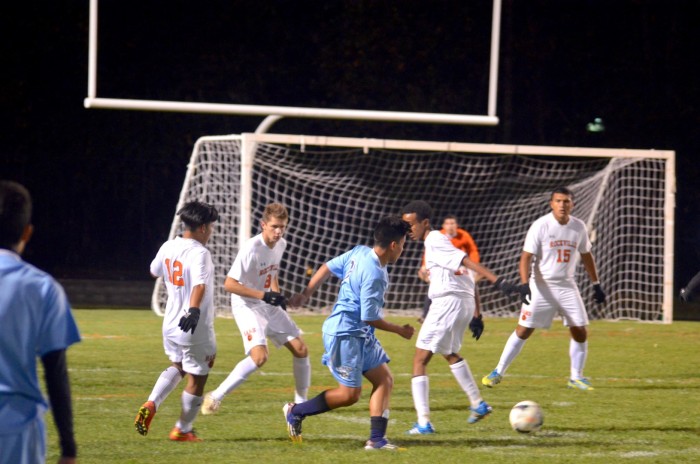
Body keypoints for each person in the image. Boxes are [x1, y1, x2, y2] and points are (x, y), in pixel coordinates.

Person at [283, 216, 415, 450]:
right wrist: (399, 330)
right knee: (349, 395)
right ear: (393, 245)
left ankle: (376, 440)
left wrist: (306, 293)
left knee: (384, 380)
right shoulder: (374, 274)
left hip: (360, 334)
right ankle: (296, 411)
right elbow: (370, 317)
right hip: (345, 334)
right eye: (403, 244)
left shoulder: (359, 252)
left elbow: (326, 267)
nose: (403, 250)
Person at [401, 200, 517, 435]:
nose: (408, 229)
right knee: (448, 352)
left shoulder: (434, 240)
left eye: (411, 225)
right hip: (461, 302)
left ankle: (423, 423)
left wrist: (497, 281)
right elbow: (466, 276)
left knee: (419, 359)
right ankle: (478, 404)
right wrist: (477, 313)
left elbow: (466, 262)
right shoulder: (440, 242)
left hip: (447, 304)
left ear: (425, 223)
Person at [482, 187, 606, 391]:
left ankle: (576, 377)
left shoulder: (578, 227)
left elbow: (586, 255)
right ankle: (498, 371)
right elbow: (526, 257)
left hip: (567, 285)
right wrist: (524, 284)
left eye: (566, 201)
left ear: (572, 204)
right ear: (551, 204)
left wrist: (596, 284)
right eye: (558, 201)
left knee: (580, 330)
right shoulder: (540, 226)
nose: (562, 205)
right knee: (524, 329)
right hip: (541, 285)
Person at [201, 203, 311, 415]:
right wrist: (263, 295)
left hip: (266, 303)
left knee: (301, 349)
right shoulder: (251, 248)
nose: (279, 231)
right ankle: (216, 396)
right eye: (275, 226)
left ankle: (300, 405)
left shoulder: (281, 245)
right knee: (260, 357)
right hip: (246, 305)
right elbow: (229, 284)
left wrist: (276, 295)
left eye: (283, 227)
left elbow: (271, 274)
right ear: (263, 225)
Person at [0, 180, 81, 464]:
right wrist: (68, 448)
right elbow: (55, 372)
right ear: (26, 232)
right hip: (17, 429)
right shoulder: (42, 288)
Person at [134, 200, 219, 442]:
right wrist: (193, 310)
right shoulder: (200, 253)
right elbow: (200, 284)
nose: (211, 232)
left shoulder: (168, 246)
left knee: (179, 367)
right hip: (192, 326)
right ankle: (183, 429)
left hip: (170, 323)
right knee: (198, 378)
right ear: (202, 227)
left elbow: (154, 271)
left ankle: (152, 402)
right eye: (211, 227)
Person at [417, 215, 481, 323]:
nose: (450, 226)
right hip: (443, 269)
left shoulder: (463, 235)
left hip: (460, 269)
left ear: (457, 225)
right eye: (448, 224)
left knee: (472, 284)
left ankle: (476, 315)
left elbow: (473, 250)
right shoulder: (438, 236)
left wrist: (474, 266)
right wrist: (424, 266)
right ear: (443, 226)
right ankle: (425, 315)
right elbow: (429, 253)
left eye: (452, 223)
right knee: (431, 283)